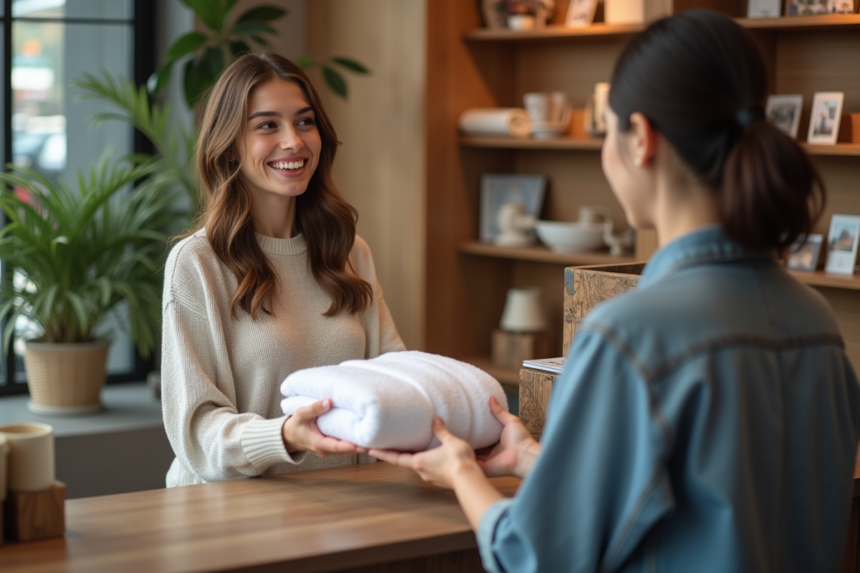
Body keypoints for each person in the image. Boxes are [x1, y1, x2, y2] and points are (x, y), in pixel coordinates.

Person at [371, 11, 860, 573]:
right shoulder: (815, 321)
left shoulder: (630, 334)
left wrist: (459, 470)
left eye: (607, 130)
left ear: (641, 139)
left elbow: (533, 556)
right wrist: (534, 459)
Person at [161, 53, 405, 487]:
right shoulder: (197, 263)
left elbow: (395, 378)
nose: (293, 141)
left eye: (304, 122)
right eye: (267, 125)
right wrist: (285, 436)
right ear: (230, 144)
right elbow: (196, 435)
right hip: (224, 511)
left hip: (340, 503)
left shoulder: (350, 253)